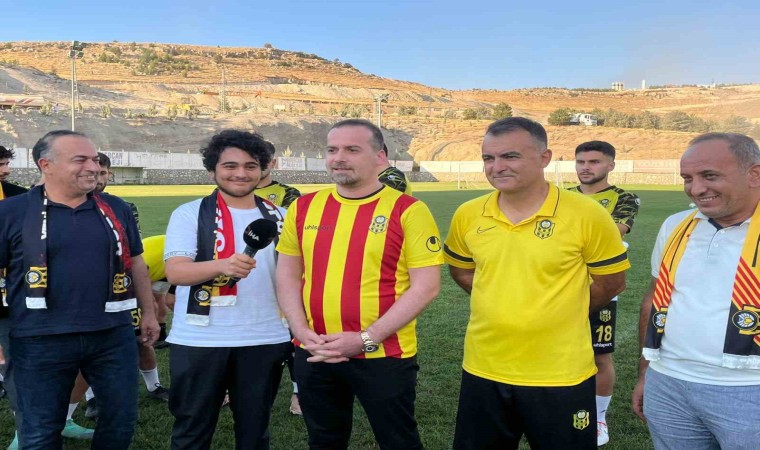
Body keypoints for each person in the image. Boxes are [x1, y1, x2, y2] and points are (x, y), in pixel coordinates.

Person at [444, 117, 630, 449]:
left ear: (545, 158)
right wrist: (504, 299)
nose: (497, 166)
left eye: (510, 156)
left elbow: (612, 282)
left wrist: (564, 310)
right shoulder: (468, 214)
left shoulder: (587, 214)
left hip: (561, 372)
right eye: (488, 158)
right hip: (484, 368)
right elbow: (461, 271)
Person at [276, 118, 443, 449]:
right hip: (315, 350)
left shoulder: (408, 210)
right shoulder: (303, 207)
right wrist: (300, 330)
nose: (339, 158)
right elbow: (287, 275)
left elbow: (426, 286)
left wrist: (366, 339)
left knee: (398, 441)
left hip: (384, 353)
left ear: (380, 157)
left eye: (352, 149)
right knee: (324, 441)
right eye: (332, 150)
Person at [0, 130, 159, 450]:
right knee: (40, 428)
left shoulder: (116, 208)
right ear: (46, 165)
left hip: (112, 334)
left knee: (120, 420)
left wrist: (149, 313)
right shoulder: (11, 212)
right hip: (39, 337)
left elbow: (137, 262)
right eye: (81, 160)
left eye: (95, 159)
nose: (93, 167)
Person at [164, 129, 291, 450]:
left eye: (250, 166)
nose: (240, 173)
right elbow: (176, 272)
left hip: (264, 337)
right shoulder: (189, 213)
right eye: (230, 166)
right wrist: (221, 265)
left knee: (255, 431)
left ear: (263, 170)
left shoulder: (282, 217)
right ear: (212, 170)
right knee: (191, 431)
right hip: (199, 338)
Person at [633, 132, 760, 449]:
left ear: (754, 174)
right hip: (668, 384)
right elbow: (654, 298)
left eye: (710, 176)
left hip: (749, 388)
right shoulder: (676, 225)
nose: (696, 189)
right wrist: (646, 371)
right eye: (687, 178)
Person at [81, 154, 169, 422]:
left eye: (103, 173)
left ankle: (154, 385)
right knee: (87, 348)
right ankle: (92, 397)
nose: (98, 178)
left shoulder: (123, 207)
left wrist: (146, 304)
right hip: (84, 292)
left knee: (140, 340)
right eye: (94, 172)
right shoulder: (67, 205)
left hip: (122, 287)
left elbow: (132, 251)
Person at [569, 140, 640, 446]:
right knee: (559, 352)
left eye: (594, 162)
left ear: (610, 165)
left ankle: (598, 417)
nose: (586, 167)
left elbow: (613, 231)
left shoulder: (624, 198)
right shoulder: (560, 196)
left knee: (600, 355)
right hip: (559, 288)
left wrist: (567, 235)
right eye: (581, 162)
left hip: (601, 289)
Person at [254, 140, 303, 415]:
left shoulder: (288, 194)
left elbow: (293, 232)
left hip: (281, 271)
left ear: (272, 163)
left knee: (292, 334)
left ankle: (298, 392)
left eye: (263, 159)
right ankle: (228, 387)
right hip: (244, 273)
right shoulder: (230, 190)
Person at [0, 144, 28, 450]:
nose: (6, 170)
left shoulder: (19, 197)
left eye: (6, 163)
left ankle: (27, 431)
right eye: (0, 165)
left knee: (18, 365)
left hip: (15, 296)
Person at [255, 140, 301, 208]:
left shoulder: (289, 193)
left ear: (273, 163)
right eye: (254, 161)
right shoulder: (239, 192)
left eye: (264, 161)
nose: (259, 165)